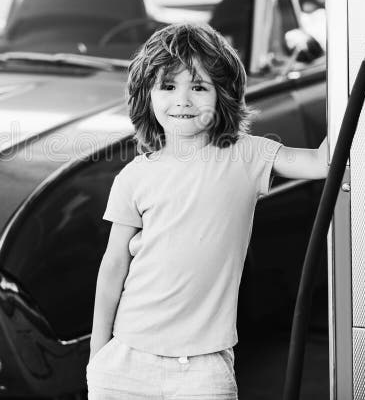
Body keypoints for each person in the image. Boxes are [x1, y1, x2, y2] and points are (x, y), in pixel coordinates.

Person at [87, 22, 328, 399]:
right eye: (168, 86)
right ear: (146, 96)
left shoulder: (246, 154)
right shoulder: (134, 176)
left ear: (223, 96)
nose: (183, 100)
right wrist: (98, 358)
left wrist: (350, 80)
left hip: (202, 367)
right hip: (126, 358)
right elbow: (114, 265)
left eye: (198, 87)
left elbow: (322, 163)